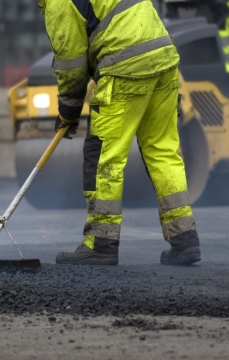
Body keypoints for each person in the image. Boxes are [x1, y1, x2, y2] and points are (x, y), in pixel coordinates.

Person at [38, 0, 201, 266]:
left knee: (105, 158)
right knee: (162, 151)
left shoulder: (59, 2)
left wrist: (68, 111)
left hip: (125, 69)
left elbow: (71, 63)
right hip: (164, 60)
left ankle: (100, 243)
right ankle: (184, 238)